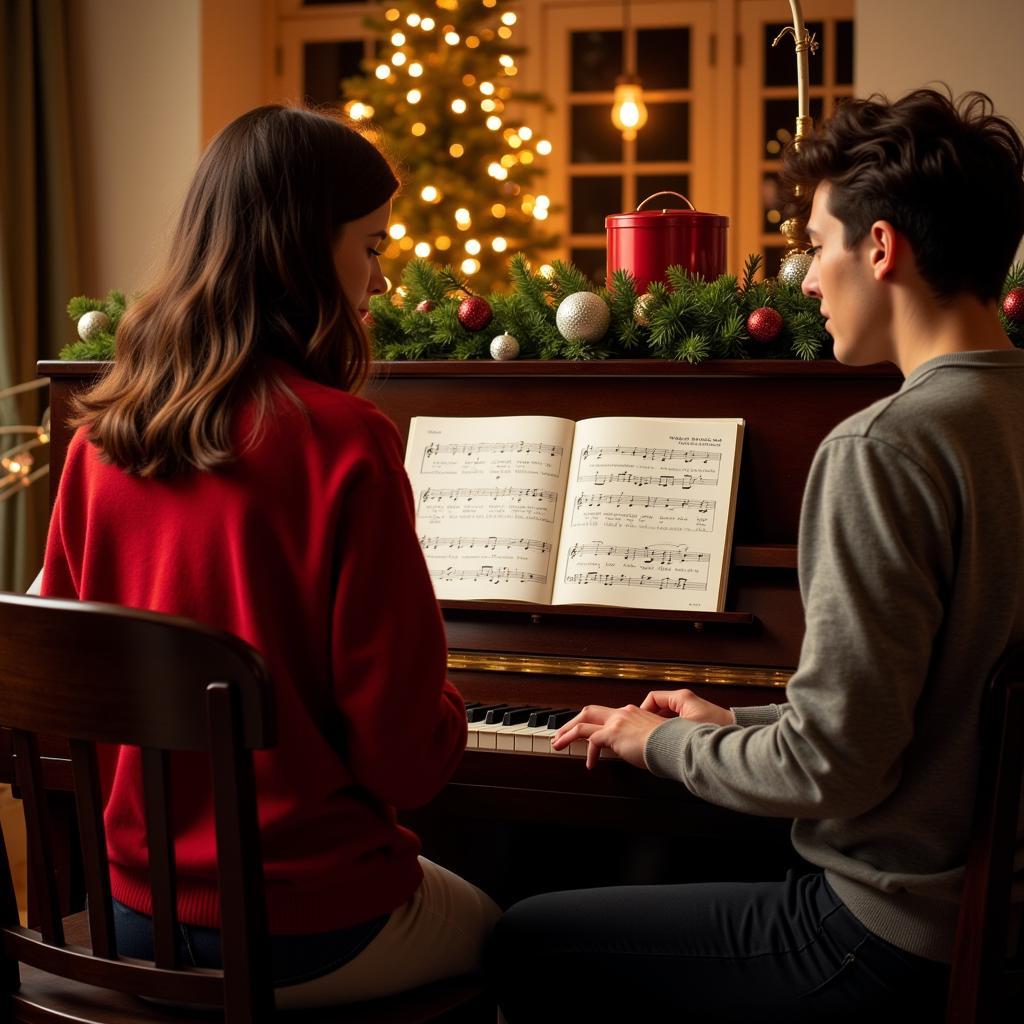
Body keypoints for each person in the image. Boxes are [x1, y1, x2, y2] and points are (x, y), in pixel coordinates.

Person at [485, 88, 1024, 1022]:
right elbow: (929, 700)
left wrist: (659, 739)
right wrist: (732, 724)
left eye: (817, 246)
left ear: (883, 248)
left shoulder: (884, 446)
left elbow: (836, 770)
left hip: (887, 935)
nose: (808, 280)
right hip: (997, 916)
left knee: (523, 938)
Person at [41, 104, 499, 1009]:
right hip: (303, 929)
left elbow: (61, 698)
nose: (378, 277)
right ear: (301, 248)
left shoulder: (100, 439)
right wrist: (453, 704)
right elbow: (404, 763)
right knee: (514, 936)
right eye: (369, 246)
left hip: (133, 911)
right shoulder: (345, 440)